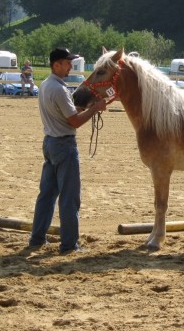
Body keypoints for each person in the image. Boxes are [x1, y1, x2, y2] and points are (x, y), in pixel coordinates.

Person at [28, 47, 107, 254]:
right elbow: (74, 121)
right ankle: (69, 244)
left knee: (46, 193)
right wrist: (95, 108)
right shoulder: (60, 89)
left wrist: (82, 108)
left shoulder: (46, 85)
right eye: (67, 62)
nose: (70, 65)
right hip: (64, 144)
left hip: (50, 142)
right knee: (69, 197)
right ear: (56, 64)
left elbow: (67, 113)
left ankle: (37, 237)